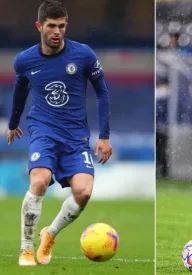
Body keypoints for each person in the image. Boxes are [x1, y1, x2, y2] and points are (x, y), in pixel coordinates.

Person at [8, 0, 112, 266]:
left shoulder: (84, 55)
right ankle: (25, 249)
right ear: (39, 26)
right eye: (52, 26)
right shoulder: (25, 60)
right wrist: (13, 123)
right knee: (40, 181)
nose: (57, 31)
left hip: (76, 135)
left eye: (62, 26)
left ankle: (50, 233)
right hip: (43, 130)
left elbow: (101, 92)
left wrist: (104, 135)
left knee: (84, 192)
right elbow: (20, 91)